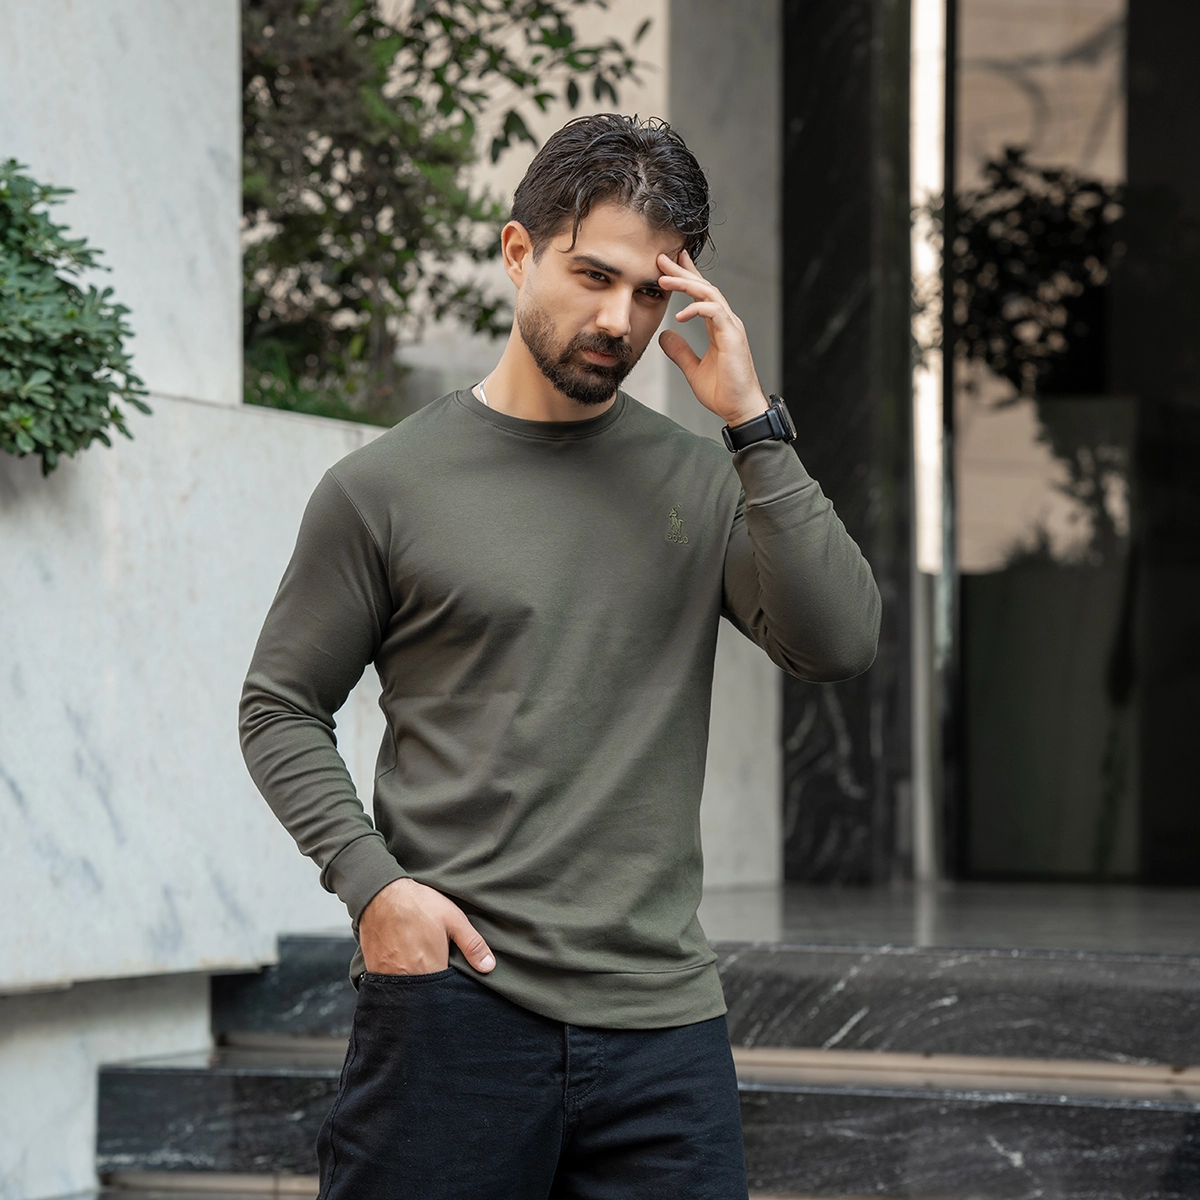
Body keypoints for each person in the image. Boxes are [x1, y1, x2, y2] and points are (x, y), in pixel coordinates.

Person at [239, 113, 880, 1199]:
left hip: (662, 1029)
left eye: (648, 292)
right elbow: (279, 706)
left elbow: (840, 643)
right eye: (593, 276)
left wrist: (752, 423)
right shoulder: (383, 488)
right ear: (517, 251)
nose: (618, 320)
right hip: (453, 1007)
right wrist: (375, 888)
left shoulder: (705, 479)